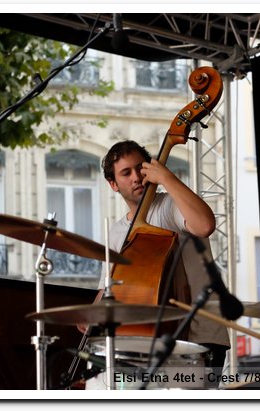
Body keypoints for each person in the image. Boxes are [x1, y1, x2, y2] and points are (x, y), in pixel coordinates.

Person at [93, 140, 230, 372]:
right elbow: (108, 287)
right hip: (152, 341)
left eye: (140, 168)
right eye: (126, 173)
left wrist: (167, 178)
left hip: (200, 335)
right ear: (113, 184)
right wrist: (88, 316)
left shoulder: (171, 205)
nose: (136, 177)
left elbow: (205, 225)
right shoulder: (116, 232)